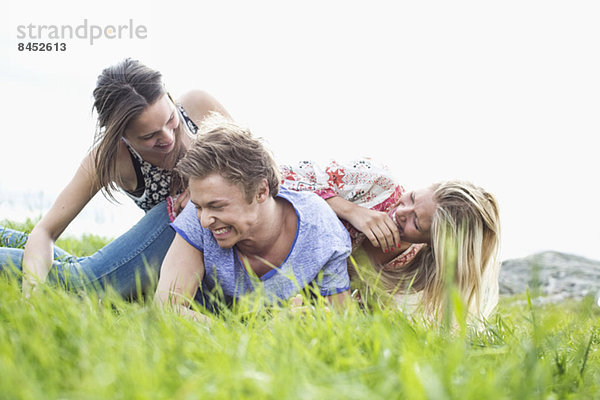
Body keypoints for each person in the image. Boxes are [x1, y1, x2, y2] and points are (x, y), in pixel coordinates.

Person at [0, 58, 230, 298]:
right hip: (171, 238)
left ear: (170, 99)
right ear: (122, 136)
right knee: (84, 283)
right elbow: (45, 232)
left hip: (213, 239)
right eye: (150, 135)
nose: (168, 137)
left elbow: (260, 167)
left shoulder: (198, 106)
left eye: (170, 119)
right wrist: (30, 298)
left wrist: (205, 186)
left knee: (83, 273)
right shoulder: (111, 157)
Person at [153, 116, 352, 314]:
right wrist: (250, 337)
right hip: (213, 317)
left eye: (218, 206)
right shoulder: (200, 215)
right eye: (198, 207)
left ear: (261, 191)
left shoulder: (319, 228)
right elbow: (165, 309)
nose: (204, 221)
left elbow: (342, 320)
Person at [280, 160, 501, 321]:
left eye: (416, 223)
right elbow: (278, 175)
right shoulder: (378, 186)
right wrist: (351, 210)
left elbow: (360, 313)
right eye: (413, 198)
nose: (402, 211)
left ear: (431, 243)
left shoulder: (410, 268)